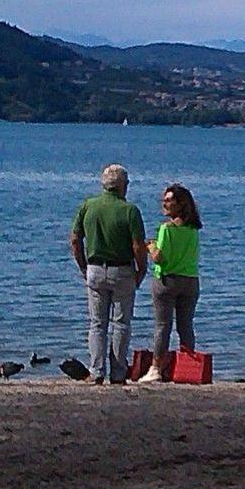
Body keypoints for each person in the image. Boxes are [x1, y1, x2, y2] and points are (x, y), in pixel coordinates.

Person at [69, 163, 147, 385]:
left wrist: (83, 266)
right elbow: (138, 246)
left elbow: (75, 239)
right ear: (123, 186)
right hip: (122, 269)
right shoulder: (130, 210)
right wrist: (141, 270)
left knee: (97, 323)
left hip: (95, 268)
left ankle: (97, 370)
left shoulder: (88, 206)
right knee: (121, 323)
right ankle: (118, 372)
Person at [140, 183, 203, 383]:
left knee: (162, 326)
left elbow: (160, 258)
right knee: (186, 326)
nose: (164, 204)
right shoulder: (193, 230)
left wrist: (150, 246)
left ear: (180, 204)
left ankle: (156, 368)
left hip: (167, 280)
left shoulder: (166, 229)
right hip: (190, 280)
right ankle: (188, 366)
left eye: (168, 200)